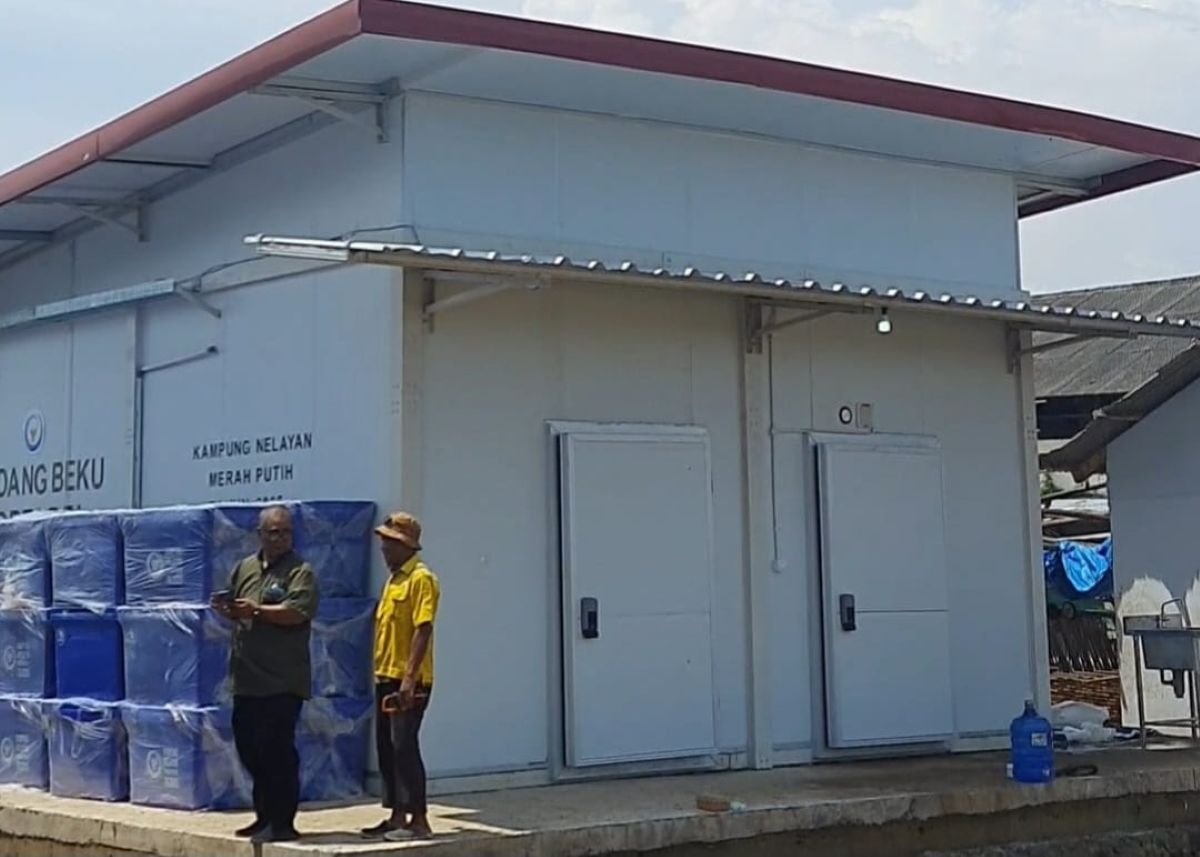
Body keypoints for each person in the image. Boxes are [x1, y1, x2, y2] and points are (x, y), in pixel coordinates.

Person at [211, 505, 319, 844]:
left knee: (277, 751)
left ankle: (282, 822)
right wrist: (229, 609)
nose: (281, 538)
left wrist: (256, 611)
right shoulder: (245, 568)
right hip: (247, 678)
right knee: (249, 748)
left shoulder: (300, 572)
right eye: (274, 532)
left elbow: (297, 612)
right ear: (259, 535)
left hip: (283, 680)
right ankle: (263, 816)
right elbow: (238, 606)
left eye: (286, 532)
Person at [361, 512, 440, 842]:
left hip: (409, 680)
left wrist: (409, 679)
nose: (384, 549)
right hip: (386, 676)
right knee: (387, 748)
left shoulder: (421, 579)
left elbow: (423, 628)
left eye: (390, 543)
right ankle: (396, 815)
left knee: (404, 746)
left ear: (406, 545)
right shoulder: (394, 581)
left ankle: (419, 819)